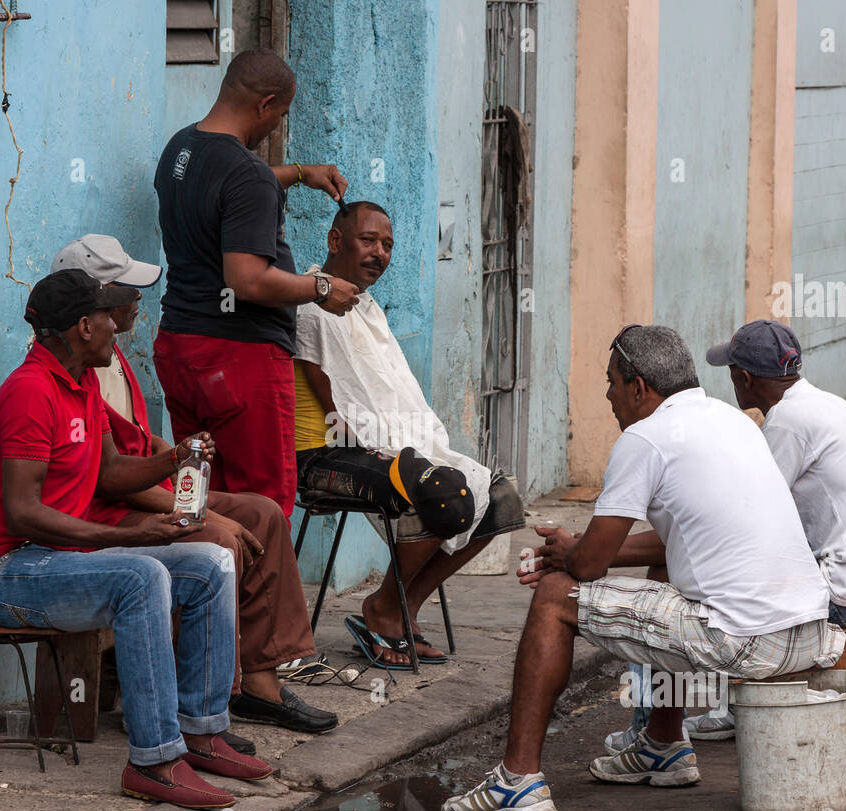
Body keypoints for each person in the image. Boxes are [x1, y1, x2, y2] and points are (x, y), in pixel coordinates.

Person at [440, 325, 844, 811]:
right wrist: (577, 550)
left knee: (554, 595)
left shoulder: (645, 438)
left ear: (638, 386)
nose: (608, 396)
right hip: (808, 629)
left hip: (744, 638)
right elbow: (678, 542)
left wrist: (568, 554)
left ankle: (517, 781)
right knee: (666, 566)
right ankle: (663, 744)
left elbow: (588, 568)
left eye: (611, 382)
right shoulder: (731, 420)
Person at [0, 269, 274, 811]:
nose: (117, 327)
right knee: (142, 575)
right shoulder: (31, 392)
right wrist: (117, 539)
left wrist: (173, 459)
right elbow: (23, 512)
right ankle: (153, 760)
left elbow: (107, 475)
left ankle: (200, 731)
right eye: (109, 316)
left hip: (56, 560)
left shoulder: (82, 385)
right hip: (3, 573)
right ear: (83, 325)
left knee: (209, 563)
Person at [52, 234, 338, 736]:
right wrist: (203, 511)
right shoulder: (79, 371)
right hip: (108, 509)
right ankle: (206, 699)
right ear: (90, 309)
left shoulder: (111, 359)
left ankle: (262, 679)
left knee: (265, 514)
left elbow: (138, 442)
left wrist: (183, 464)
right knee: (220, 540)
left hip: (136, 489)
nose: (137, 300)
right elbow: (110, 477)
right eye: (125, 292)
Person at [658, 318, 846, 740]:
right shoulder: (826, 403)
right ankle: (735, 702)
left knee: (736, 588)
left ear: (743, 378)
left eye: (732, 375)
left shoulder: (786, 424)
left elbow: (747, 518)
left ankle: (736, 705)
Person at [294, 201, 525, 669]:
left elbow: (389, 391)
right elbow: (335, 407)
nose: (379, 252)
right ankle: (384, 608)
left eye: (388, 245)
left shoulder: (366, 307)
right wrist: (390, 455)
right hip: (327, 454)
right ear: (336, 241)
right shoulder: (312, 308)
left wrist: (410, 448)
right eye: (368, 240)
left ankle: (399, 606)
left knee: (503, 498)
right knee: (447, 495)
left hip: (382, 445)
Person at [153, 48, 360, 518]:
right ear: (265, 104)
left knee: (203, 498)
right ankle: (259, 596)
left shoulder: (180, 150)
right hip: (239, 360)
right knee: (261, 507)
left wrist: (301, 174)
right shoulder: (247, 175)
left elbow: (232, 185)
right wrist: (322, 288)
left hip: (181, 350)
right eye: (281, 114)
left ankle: (213, 592)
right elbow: (246, 281)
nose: (276, 125)